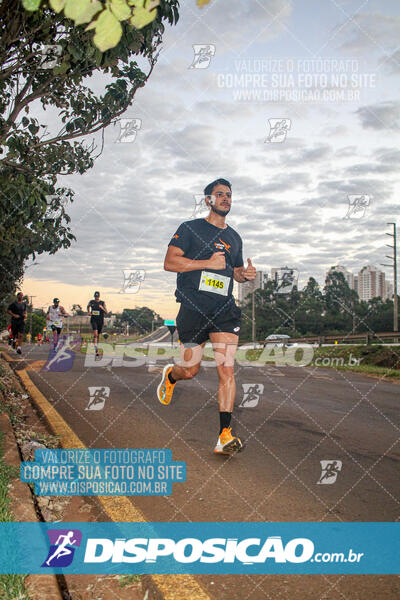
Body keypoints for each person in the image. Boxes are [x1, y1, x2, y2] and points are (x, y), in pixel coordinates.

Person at [158, 178, 256, 455]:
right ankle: (172, 376)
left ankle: (224, 435)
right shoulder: (190, 229)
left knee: (227, 369)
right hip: (193, 308)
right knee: (191, 369)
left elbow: (234, 272)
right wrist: (206, 263)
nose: (226, 198)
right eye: (220, 194)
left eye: (229, 195)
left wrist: (244, 275)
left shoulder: (235, 238)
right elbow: (169, 263)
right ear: (208, 200)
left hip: (224, 310)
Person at [87, 291, 107, 358]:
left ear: (99, 296)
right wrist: (89, 312)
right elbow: (88, 306)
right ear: (94, 296)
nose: (96, 297)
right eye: (95, 296)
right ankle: (96, 350)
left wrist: (102, 308)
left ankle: (96, 347)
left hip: (100, 321)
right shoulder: (91, 302)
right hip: (93, 320)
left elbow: (106, 312)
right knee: (95, 334)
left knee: (98, 335)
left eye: (97, 296)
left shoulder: (102, 303)